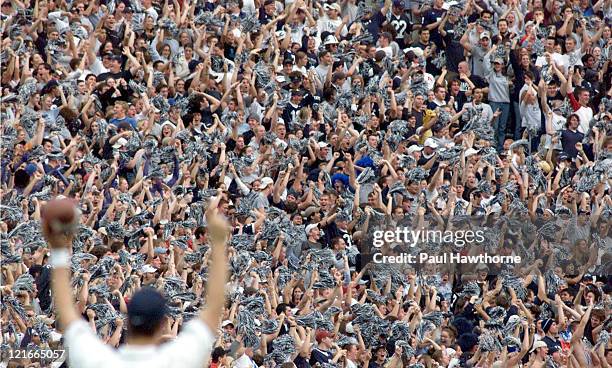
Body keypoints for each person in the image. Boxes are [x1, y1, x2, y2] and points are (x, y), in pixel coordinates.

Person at [43, 209, 230, 368]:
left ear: (129, 320)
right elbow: (213, 310)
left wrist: (59, 247)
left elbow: (67, 313)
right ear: (162, 324)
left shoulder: (100, 359)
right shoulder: (177, 360)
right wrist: (220, 244)